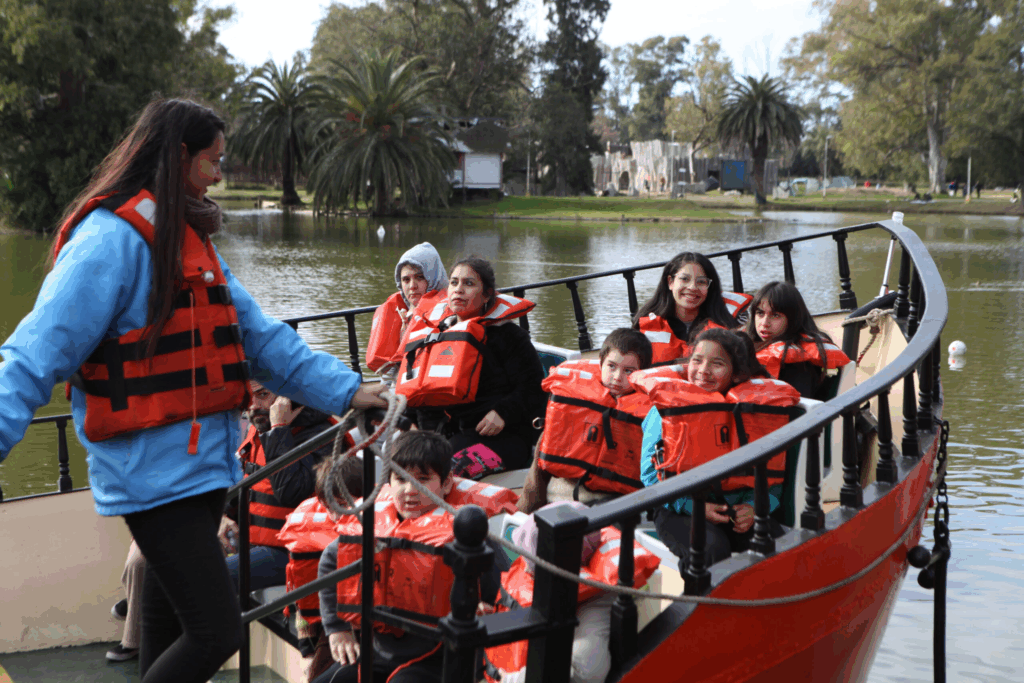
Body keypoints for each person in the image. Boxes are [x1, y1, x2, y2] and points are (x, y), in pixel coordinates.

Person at [0, 99, 386, 683]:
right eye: (213, 161)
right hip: (151, 477)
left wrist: (350, 391)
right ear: (179, 157)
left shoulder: (190, 243)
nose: (220, 175)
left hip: (202, 472)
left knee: (170, 635)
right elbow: (33, 354)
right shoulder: (109, 242)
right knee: (218, 630)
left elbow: (259, 341)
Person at [314, 431, 507, 683]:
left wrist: (489, 610)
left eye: (423, 479)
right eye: (400, 479)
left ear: (447, 482)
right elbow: (330, 562)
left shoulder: (467, 534)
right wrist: (337, 628)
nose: (409, 490)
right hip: (379, 649)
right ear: (388, 481)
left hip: (439, 657)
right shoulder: (371, 525)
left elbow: (507, 588)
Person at [635, 329, 799, 569]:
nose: (703, 371)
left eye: (717, 363)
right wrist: (694, 507)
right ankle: (701, 604)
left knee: (777, 543)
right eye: (697, 360)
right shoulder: (666, 412)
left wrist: (755, 508)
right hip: (678, 509)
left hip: (736, 506)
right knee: (710, 548)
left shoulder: (754, 414)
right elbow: (650, 476)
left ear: (735, 375)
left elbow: (771, 476)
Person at [399, 256, 547, 476]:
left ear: (487, 294)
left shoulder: (508, 335)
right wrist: (409, 423)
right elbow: (419, 387)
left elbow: (534, 387)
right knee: (395, 462)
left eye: (469, 284)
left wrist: (503, 413)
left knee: (442, 471)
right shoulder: (436, 335)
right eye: (454, 282)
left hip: (502, 437)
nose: (458, 290)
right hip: (446, 433)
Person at [485, 502, 660, 683]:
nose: (526, 570)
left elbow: (587, 671)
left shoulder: (595, 604)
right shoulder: (535, 569)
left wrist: (509, 680)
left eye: (532, 566)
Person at [220, 380, 345, 589]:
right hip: (251, 541)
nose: (252, 405)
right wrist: (221, 516)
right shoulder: (259, 428)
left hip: (294, 551)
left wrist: (279, 429)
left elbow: (290, 493)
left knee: (205, 577)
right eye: (248, 396)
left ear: (287, 398)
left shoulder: (322, 437)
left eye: (262, 395)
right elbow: (239, 482)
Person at [518, 328, 653, 512]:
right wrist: (524, 511)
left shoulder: (649, 414)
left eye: (628, 371)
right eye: (611, 366)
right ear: (601, 364)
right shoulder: (573, 403)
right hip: (563, 497)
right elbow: (537, 477)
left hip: (615, 502)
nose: (617, 377)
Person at [743, 281, 850, 398]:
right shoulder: (745, 346)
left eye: (775, 315)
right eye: (760, 313)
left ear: (793, 319)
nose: (765, 323)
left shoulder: (798, 362)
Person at [633, 251, 740, 366]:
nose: (692, 287)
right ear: (670, 282)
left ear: (709, 288)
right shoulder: (644, 324)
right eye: (684, 279)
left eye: (701, 281)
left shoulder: (726, 328)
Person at [365, 242, 448, 373]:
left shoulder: (450, 314)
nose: (412, 286)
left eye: (419, 277)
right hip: (397, 383)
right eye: (406, 280)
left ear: (433, 277)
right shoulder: (400, 313)